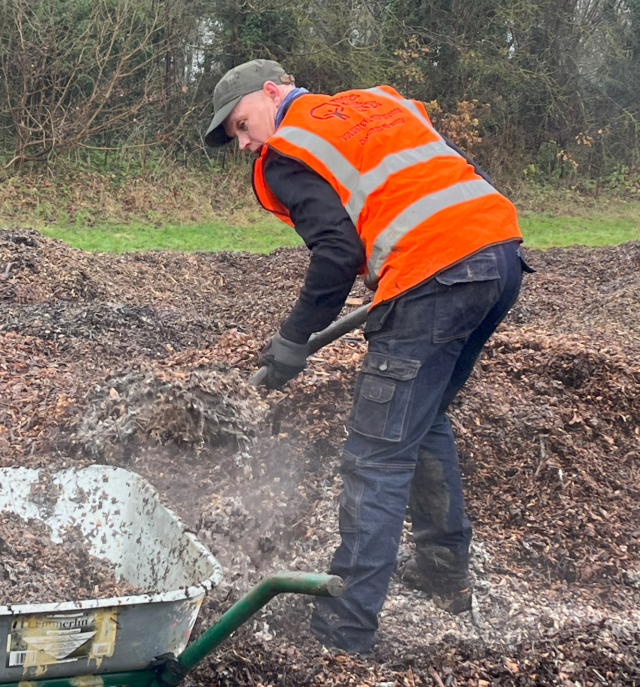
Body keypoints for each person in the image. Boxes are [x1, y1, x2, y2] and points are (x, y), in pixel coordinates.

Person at [205, 59, 532, 655]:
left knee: (375, 457)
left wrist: (292, 340)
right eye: (238, 139)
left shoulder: (288, 149)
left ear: (272, 92)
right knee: (425, 419)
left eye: (243, 124)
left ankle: (343, 629)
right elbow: (453, 175)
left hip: (434, 276)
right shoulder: (381, 103)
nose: (247, 143)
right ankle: (442, 572)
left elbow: (335, 253)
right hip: (499, 257)